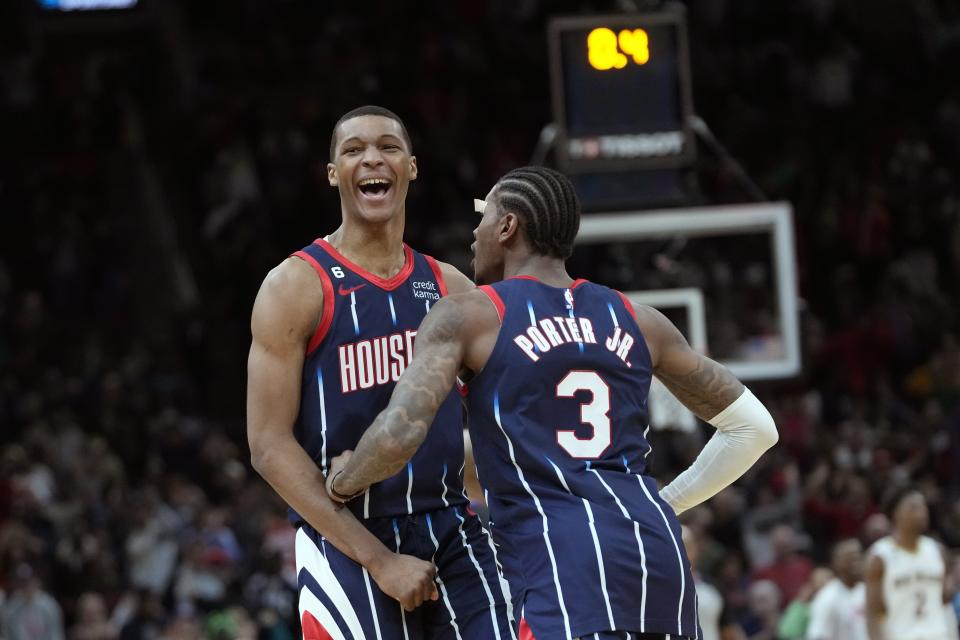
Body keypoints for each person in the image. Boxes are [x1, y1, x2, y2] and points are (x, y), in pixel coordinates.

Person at [325, 166, 779, 639]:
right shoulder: (639, 319)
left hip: (564, 561)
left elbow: (401, 432)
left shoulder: (472, 315)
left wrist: (341, 483)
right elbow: (756, 429)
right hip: (658, 555)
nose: (475, 231)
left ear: (507, 227)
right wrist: (666, 503)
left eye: (484, 216)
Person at [247, 105, 513, 640]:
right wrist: (380, 561)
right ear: (333, 174)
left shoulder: (450, 287)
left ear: (411, 167)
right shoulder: (294, 286)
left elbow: (507, 414)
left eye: (388, 146)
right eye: (354, 150)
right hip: (345, 533)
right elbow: (268, 445)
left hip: (450, 523)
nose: (373, 157)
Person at [865, 486, 955, 640]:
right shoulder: (880, 556)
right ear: (895, 513)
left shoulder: (937, 550)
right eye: (913, 507)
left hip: (938, 634)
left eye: (923, 507)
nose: (921, 512)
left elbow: (945, 599)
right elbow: (873, 613)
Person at [681, 525, 745, 640]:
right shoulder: (654, 587)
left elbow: (728, 628)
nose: (682, 550)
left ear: (695, 549)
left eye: (687, 546)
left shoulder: (713, 587)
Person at [805, 538, 867, 640]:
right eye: (851, 558)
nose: (856, 563)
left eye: (859, 557)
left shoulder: (867, 592)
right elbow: (818, 636)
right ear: (837, 562)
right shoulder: (827, 597)